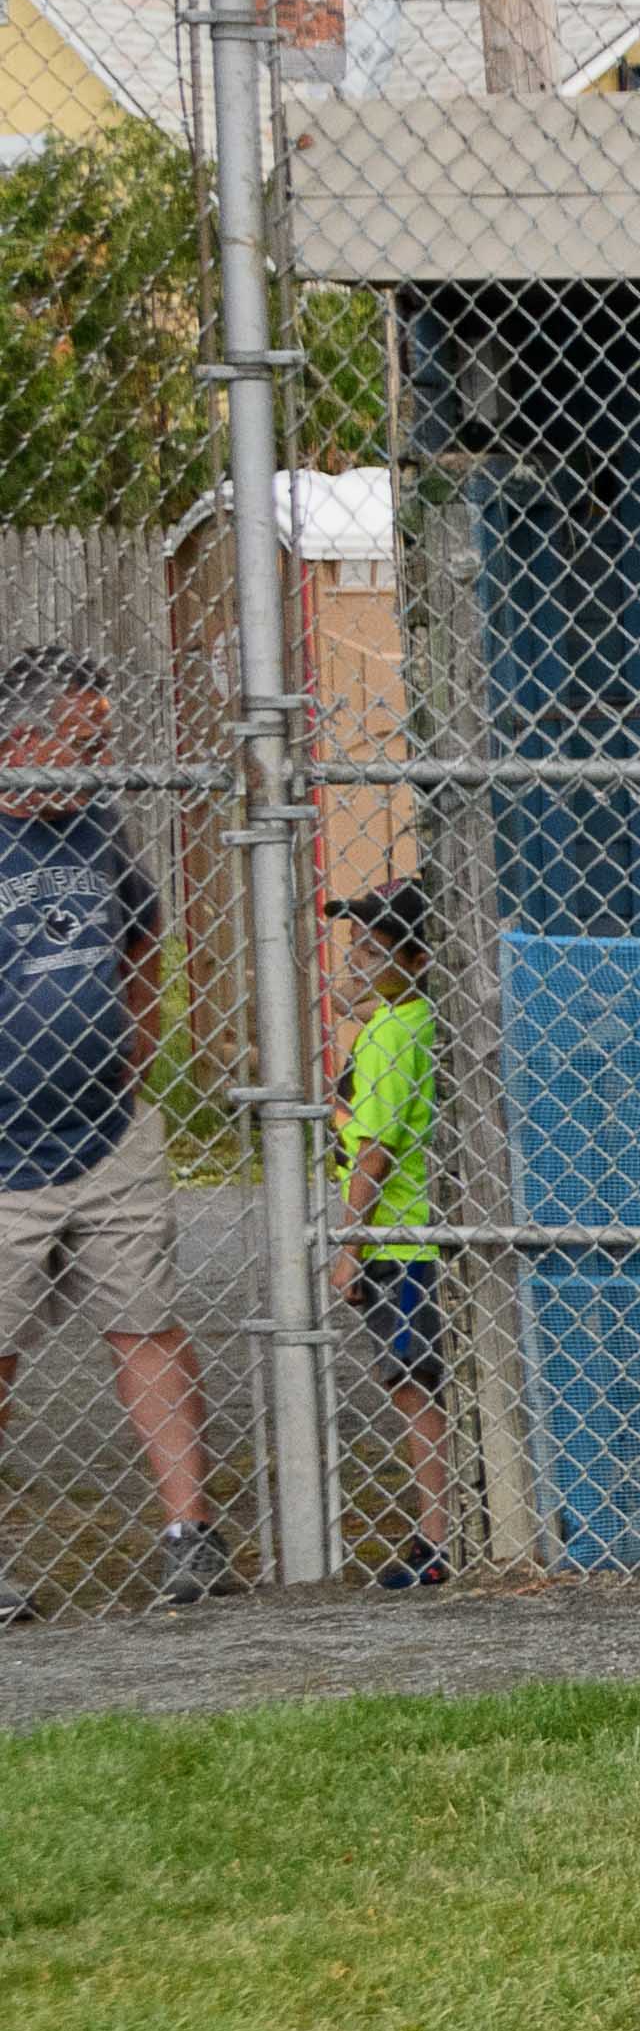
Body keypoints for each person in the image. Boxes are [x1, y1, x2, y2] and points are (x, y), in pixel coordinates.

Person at [0, 644, 229, 1618]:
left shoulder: (97, 824)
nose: (101, 760)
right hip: (7, 1154)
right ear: (21, 739)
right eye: (83, 741)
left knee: (147, 1325)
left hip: (111, 1131)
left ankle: (189, 1536)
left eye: (105, 740)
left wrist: (134, 1056)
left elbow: (143, 936)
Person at [324, 877, 451, 1589]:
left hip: (398, 1245)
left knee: (413, 1389)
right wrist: (363, 1003)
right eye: (353, 950)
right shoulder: (424, 1018)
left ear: (415, 959)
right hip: (432, 1237)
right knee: (428, 1384)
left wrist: (351, 1250)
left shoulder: (384, 1038)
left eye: (373, 952)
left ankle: (434, 1542)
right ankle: (442, 1532)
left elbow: (372, 1153)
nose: (354, 967)